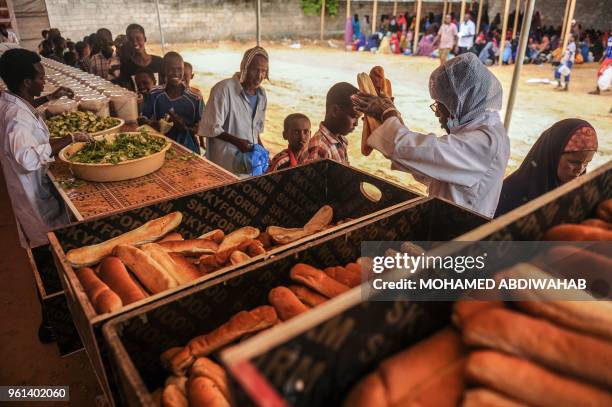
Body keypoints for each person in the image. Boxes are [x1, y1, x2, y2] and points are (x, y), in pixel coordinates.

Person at [352, 53, 509, 218]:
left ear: (459, 103)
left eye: (440, 105)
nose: (437, 114)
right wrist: (392, 117)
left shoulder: (486, 142)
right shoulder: (476, 131)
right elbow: (428, 161)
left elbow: (418, 151)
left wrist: (387, 113)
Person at [0, 49, 92, 247]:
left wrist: (50, 98)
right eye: (41, 78)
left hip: (30, 188)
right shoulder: (16, 119)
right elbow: (26, 158)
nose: (44, 81)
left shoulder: (10, 101)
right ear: (26, 82)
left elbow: (26, 105)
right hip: (31, 194)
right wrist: (71, 137)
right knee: (49, 242)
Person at [495, 119, 598, 217]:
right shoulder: (512, 193)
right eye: (573, 162)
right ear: (553, 155)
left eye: (586, 163)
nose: (580, 170)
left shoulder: (578, 195)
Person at [199, 46, 269, 177]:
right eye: (255, 70)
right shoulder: (223, 90)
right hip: (224, 163)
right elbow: (211, 128)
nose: (259, 76)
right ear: (244, 67)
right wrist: (237, 142)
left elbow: (255, 130)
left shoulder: (261, 95)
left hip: (247, 164)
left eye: (264, 71)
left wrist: (261, 150)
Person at [140, 52, 202, 153]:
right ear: (164, 70)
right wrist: (156, 124)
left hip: (188, 150)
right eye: (171, 69)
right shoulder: (154, 94)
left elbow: (201, 129)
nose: (176, 73)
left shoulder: (194, 98)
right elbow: (142, 119)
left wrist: (184, 128)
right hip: (159, 148)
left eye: (179, 69)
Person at [298, 82, 360, 166]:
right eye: (354, 116)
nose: (356, 123)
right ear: (334, 111)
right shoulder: (319, 149)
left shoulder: (340, 140)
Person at [118, 24, 163, 91]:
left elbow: (165, 85)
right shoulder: (126, 67)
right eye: (131, 40)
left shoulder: (159, 62)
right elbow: (127, 91)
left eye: (138, 38)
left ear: (145, 38)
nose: (135, 43)